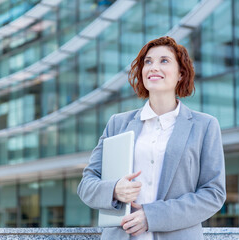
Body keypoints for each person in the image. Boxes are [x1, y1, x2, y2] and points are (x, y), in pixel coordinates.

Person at [77, 36, 226, 240]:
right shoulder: (117, 123)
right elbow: (86, 184)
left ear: (181, 73)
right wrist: (114, 190)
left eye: (164, 61)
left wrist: (152, 216)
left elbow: (213, 194)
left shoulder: (205, 126)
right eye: (148, 62)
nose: (153, 67)